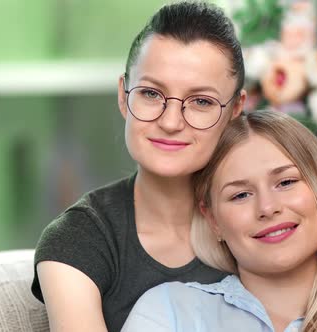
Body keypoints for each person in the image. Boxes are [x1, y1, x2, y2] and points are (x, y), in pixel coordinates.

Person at [31, 2, 247, 331]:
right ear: (123, 96)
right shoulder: (78, 239)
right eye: (150, 93)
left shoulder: (264, 217)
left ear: (236, 109)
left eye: (201, 101)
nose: (171, 121)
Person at [122, 110, 317, 332]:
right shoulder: (168, 310)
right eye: (241, 195)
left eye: (285, 182)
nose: (267, 208)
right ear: (213, 220)